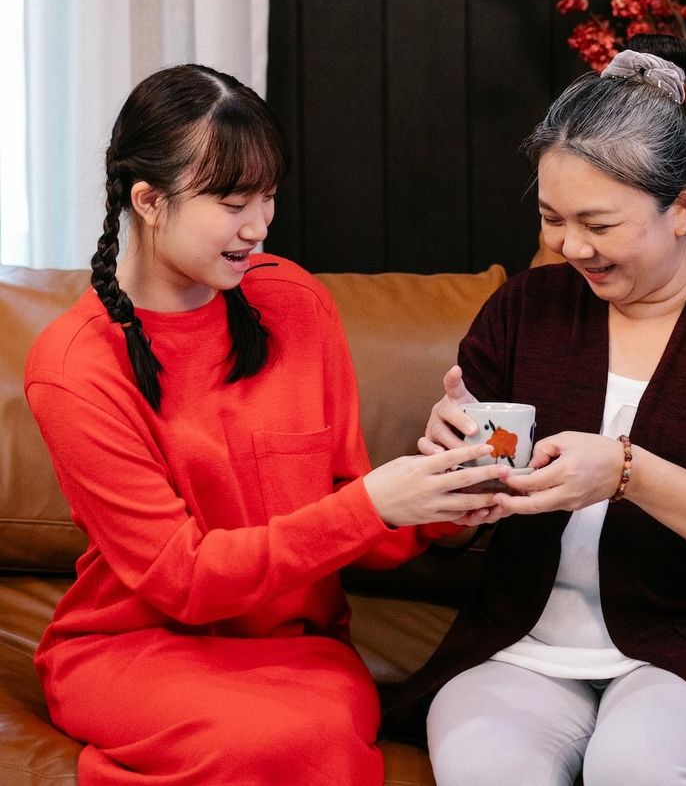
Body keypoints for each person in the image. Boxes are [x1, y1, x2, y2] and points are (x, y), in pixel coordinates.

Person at [396, 35, 686, 786]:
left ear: (681, 210)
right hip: (524, 644)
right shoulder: (525, 310)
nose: (570, 247)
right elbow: (446, 532)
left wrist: (629, 473)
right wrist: (450, 480)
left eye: (599, 224)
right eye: (552, 217)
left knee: (634, 767)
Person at [24, 64, 505, 786]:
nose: (260, 225)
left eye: (269, 196)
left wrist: (447, 495)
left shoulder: (294, 303)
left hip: (296, 648)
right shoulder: (72, 363)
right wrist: (372, 503)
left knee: (314, 738)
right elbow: (183, 579)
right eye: (232, 202)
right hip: (132, 647)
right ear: (149, 201)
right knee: (266, 744)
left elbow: (351, 517)